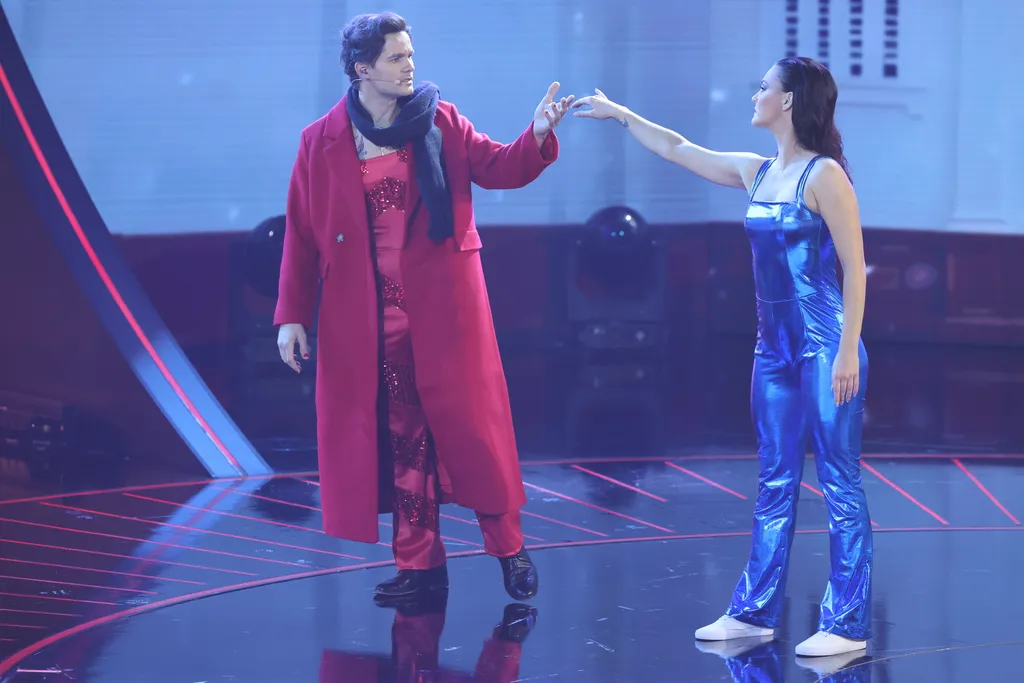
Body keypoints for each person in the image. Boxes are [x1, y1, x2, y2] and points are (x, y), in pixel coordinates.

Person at [572, 56, 872, 658]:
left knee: (840, 483)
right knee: (774, 480)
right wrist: (619, 113)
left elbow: (855, 269)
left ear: (788, 101)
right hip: (773, 351)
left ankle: (848, 623)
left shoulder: (824, 176)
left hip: (826, 347)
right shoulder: (757, 171)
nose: (755, 95)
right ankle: (754, 611)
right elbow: (678, 148)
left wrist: (846, 353)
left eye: (763, 87)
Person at [275, 12, 572, 603]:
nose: (410, 66)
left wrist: (537, 133)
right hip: (367, 318)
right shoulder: (320, 140)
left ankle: (509, 549)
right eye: (396, 57)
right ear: (362, 68)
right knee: (402, 438)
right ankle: (419, 565)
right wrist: (291, 316)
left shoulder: (440, 120)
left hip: (446, 309)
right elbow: (301, 234)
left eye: (410, 54)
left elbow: (499, 167)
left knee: (475, 434)